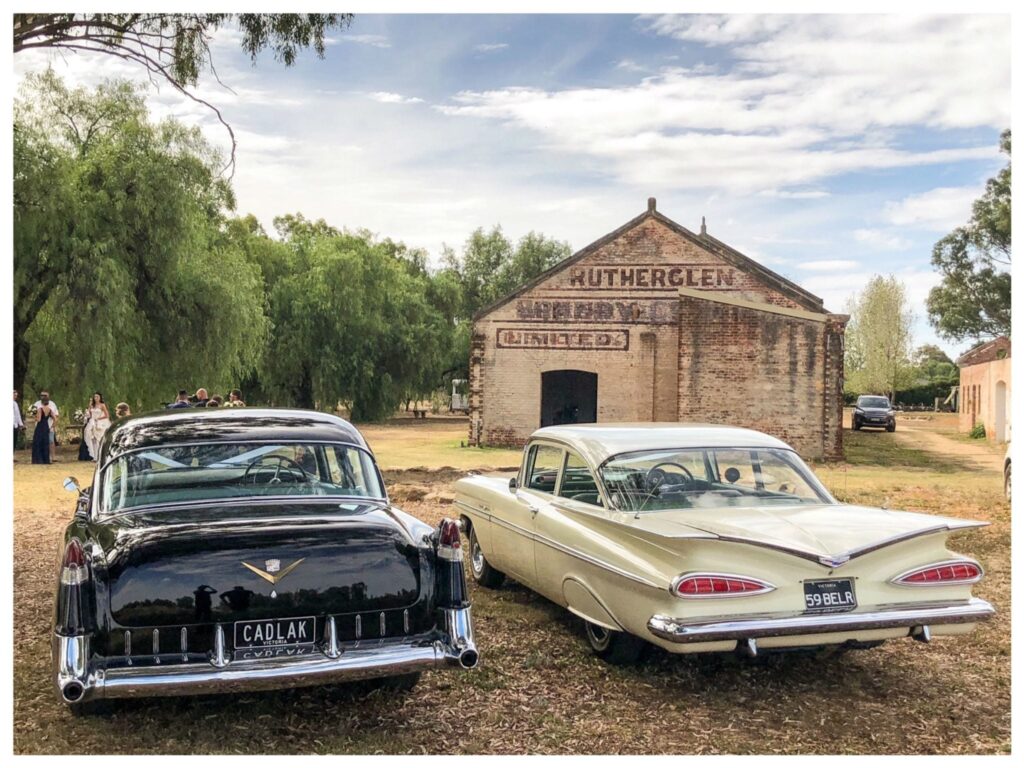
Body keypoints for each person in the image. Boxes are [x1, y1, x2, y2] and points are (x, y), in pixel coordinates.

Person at [83, 392, 112, 460]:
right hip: (92, 422)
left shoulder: (102, 405)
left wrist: (98, 418)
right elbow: (89, 414)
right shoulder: (92, 405)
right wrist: (89, 407)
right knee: (92, 439)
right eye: (95, 397)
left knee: (99, 439)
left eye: (97, 397)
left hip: (100, 422)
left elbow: (107, 415)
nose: (96, 398)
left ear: (100, 398)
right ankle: (95, 456)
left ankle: (101, 455)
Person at [31, 391, 56, 464]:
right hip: (46, 426)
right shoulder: (49, 409)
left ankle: (38, 459)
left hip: (40, 426)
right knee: (45, 442)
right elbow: (55, 418)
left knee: (38, 441)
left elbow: (39, 419)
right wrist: (52, 426)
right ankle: (46, 459)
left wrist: (34, 417)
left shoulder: (40, 409)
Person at [13, 390, 25, 454]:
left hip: (15, 425)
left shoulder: (15, 403)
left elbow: (17, 415)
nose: (15, 397)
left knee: (14, 441)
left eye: (16, 396)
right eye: (14, 395)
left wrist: (21, 424)